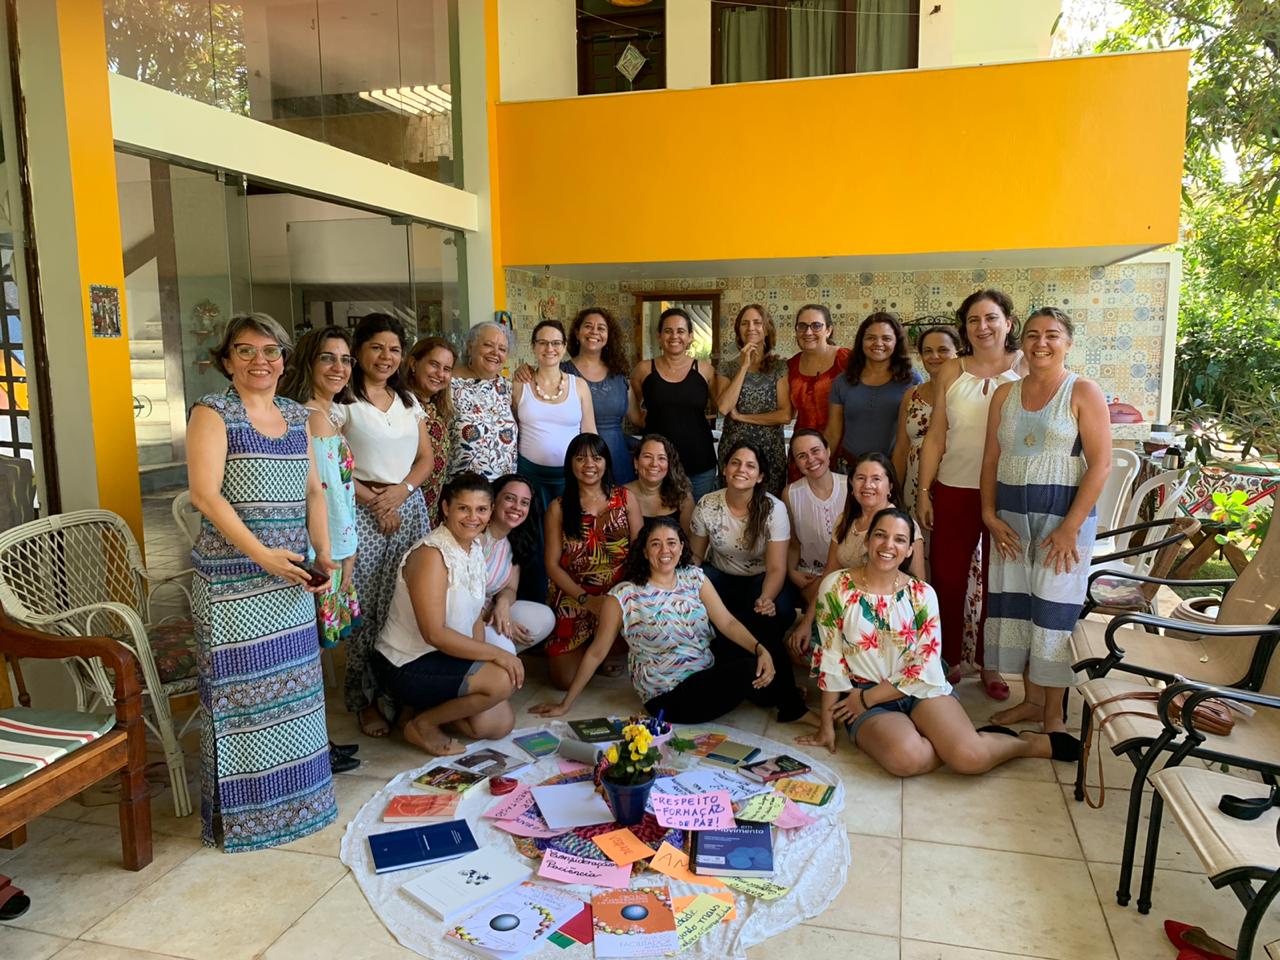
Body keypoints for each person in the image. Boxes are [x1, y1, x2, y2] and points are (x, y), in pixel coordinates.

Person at [186, 312, 337, 851]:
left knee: (296, 698)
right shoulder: (213, 412)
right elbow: (205, 495)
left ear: (284, 360)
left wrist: (323, 555)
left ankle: (301, 807)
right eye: (246, 351)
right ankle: (247, 821)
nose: (260, 361)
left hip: (290, 577)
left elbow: (314, 491)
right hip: (232, 586)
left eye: (271, 351)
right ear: (227, 361)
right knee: (243, 703)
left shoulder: (298, 416)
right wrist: (261, 556)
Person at [796, 508, 1075, 771]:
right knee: (906, 760)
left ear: (909, 550)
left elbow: (926, 664)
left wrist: (868, 699)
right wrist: (826, 726)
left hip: (917, 688)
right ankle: (961, 742)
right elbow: (830, 657)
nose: (888, 545)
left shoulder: (921, 593)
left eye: (899, 539)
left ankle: (1025, 744)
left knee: (971, 759)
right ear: (868, 540)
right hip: (862, 691)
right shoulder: (836, 586)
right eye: (880, 535)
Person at [982, 307, 1111, 734]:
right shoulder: (1004, 394)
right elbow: (991, 459)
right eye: (1033, 334)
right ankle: (1031, 702)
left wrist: (1070, 527)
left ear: (1067, 343)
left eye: (1052, 335)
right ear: (1022, 342)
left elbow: (1100, 464)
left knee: (1054, 612)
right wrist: (988, 514)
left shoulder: (1083, 390)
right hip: (1011, 518)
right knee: (1021, 608)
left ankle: (1053, 714)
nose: (1041, 343)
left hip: (1062, 520)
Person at [531, 516, 778, 724]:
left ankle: (779, 696)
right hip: (669, 697)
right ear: (645, 551)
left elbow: (727, 622)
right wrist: (565, 704)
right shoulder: (623, 596)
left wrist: (760, 649)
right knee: (748, 669)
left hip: (706, 674)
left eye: (671, 543)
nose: (665, 551)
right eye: (656, 544)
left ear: (681, 547)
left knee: (764, 640)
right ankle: (772, 692)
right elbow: (597, 653)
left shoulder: (694, 578)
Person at [916, 289, 1025, 699]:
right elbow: (936, 435)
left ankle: (990, 661)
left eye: (991, 318)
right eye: (974, 320)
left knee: (1000, 579)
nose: (983, 327)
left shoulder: (1025, 365)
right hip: (954, 486)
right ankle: (947, 658)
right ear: (964, 327)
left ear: (1008, 323)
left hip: (1008, 491)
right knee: (947, 576)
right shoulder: (952, 369)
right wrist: (924, 491)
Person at [372, 473, 522, 756]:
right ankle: (422, 724)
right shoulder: (432, 554)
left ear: (491, 511)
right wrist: (497, 656)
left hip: (444, 657)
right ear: (446, 508)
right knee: (501, 679)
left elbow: (475, 617)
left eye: (481, 509)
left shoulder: (474, 547)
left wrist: (481, 662)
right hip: (408, 662)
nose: (473, 518)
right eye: (463, 508)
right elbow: (434, 633)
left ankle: (422, 708)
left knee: (499, 723)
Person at [338, 313, 434, 738]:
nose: (385, 357)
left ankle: (402, 693)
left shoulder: (408, 401)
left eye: (394, 349)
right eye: (376, 347)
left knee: (406, 603)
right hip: (361, 512)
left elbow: (426, 459)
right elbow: (333, 465)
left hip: (408, 510)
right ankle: (365, 699)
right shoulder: (342, 402)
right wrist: (377, 502)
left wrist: (401, 493)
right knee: (365, 609)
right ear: (358, 351)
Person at [278, 326, 364, 775]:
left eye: (346, 359)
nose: (339, 367)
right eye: (328, 358)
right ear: (309, 362)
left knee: (313, 654)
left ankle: (317, 743)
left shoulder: (326, 412)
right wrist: (340, 553)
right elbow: (324, 496)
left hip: (333, 541)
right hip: (323, 548)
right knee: (309, 654)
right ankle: (313, 747)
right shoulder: (311, 416)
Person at [690, 440, 807, 721]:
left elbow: (777, 567)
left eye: (750, 466)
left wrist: (766, 597)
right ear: (725, 469)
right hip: (721, 576)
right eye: (735, 463)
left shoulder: (773, 509)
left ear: (760, 476)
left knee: (770, 613)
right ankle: (758, 681)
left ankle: (770, 684)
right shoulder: (708, 504)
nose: (741, 469)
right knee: (702, 596)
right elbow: (695, 558)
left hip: (762, 579)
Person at [788, 452, 924, 663]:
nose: (867, 485)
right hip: (844, 611)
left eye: (876, 479)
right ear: (851, 485)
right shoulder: (846, 520)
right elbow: (829, 575)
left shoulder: (903, 525)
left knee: (847, 661)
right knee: (795, 648)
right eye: (860, 478)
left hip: (886, 617)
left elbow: (919, 585)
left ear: (890, 486)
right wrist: (806, 622)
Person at [544, 433, 643, 689]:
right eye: (580, 458)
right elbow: (552, 565)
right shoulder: (558, 507)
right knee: (565, 680)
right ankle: (589, 648)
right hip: (575, 594)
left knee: (616, 652)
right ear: (570, 464)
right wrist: (585, 600)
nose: (589, 464)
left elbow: (639, 552)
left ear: (606, 463)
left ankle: (603, 648)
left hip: (618, 593)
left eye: (597, 458)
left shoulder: (625, 498)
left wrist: (616, 598)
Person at [631, 307, 721, 500]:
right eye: (668, 331)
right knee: (659, 517)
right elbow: (634, 412)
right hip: (656, 466)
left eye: (680, 331)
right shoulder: (644, 370)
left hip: (700, 463)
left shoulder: (705, 370)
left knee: (698, 517)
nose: (674, 336)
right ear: (659, 336)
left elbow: (722, 405)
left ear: (690, 336)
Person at [512, 319, 596, 513]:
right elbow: (510, 430)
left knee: (567, 528)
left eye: (556, 343)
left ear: (564, 347)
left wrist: (592, 473)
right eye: (542, 342)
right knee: (532, 529)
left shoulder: (579, 386)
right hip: (528, 476)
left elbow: (590, 434)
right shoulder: (518, 385)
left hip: (570, 476)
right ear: (533, 346)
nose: (549, 348)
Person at [826, 312, 922, 467]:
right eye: (871, 337)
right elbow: (832, 433)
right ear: (861, 341)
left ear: (897, 342)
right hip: (850, 467)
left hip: (895, 467)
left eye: (886, 338)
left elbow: (918, 433)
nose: (878, 343)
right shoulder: (843, 381)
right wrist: (820, 467)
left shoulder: (912, 380)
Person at [716, 304, 792, 496]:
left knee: (769, 506)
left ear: (766, 329)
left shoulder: (779, 367)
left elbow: (785, 415)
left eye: (757, 322)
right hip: (735, 454)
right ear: (738, 330)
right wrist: (743, 367)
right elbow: (724, 407)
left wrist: (742, 417)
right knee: (734, 505)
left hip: (770, 451)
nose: (751, 328)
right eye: (745, 323)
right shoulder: (726, 367)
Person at [481, 474, 557, 655]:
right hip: (461, 616)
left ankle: (491, 657)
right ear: (494, 500)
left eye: (524, 502)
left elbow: (510, 588)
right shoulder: (477, 535)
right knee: (506, 649)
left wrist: (502, 604)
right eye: (509, 498)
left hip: (489, 609)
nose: (517, 507)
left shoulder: (513, 541)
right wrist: (500, 619)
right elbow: (456, 597)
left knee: (544, 618)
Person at [892, 325, 962, 516]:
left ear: (958, 352)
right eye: (927, 351)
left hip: (955, 485)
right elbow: (901, 448)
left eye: (943, 350)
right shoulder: (911, 395)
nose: (934, 356)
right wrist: (894, 493)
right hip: (914, 489)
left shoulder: (968, 394)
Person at [783, 429, 847, 606]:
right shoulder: (790, 494)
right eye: (802, 456)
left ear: (828, 451)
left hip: (848, 572)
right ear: (795, 462)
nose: (811, 459)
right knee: (824, 606)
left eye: (815, 451)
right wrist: (791, 572)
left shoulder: (851, 487)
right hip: (811, 575)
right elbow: (793, 543)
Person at [786, 304, 850, 481]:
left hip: (841, 452)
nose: (808, 332)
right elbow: (787, 411)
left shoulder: (846, 359)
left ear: (828, 330)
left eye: (816, 325)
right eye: (802, 326)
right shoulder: (790, 366)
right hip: (803, 453)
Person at [449, 322, 518, 480]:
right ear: (469, 347)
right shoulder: (448, 384)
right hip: (463, 488)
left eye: (502, 349)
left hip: (503, 487)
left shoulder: (508, 387)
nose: (495, 353)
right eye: (488, 345)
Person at [406, 336, 457, 523]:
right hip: (402, 509)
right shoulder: (399, 404)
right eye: (434, 365)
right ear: (413, 364)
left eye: (447, 369)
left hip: (430, 513)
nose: (440, 374)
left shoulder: (437, 408)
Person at [625, 433, 694, 537]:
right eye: (647, 456)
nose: (654, 464)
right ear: (636, 462)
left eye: (661, 458)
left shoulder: (683, 496)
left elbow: (688, 541)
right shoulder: (620, 496)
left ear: (669, 464)